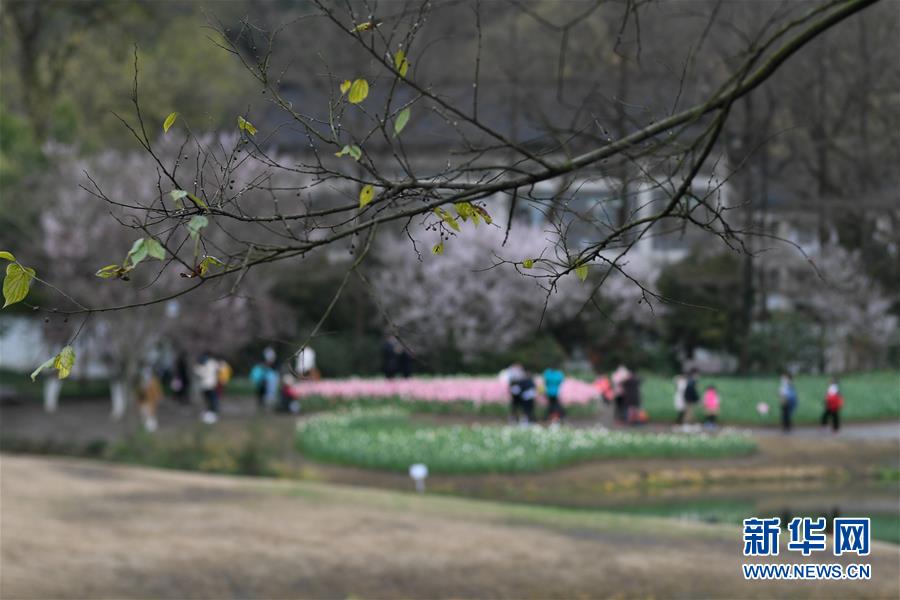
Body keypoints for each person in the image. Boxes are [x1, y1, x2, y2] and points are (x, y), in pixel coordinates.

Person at [194, 353, 221, 424]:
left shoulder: (205, 366)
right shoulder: (212, 363)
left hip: (207, 386)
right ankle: (211, 413)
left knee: (210, 400)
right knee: (211, 400)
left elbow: (201, 373)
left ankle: (212, 414)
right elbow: (219, 367)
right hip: (210, 385)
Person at [137, 365, 163, 432]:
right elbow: (139, 393)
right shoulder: (142, 382)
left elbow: (157, 391)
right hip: (144, 401)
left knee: (151, 414)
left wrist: (158, 397)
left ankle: (151, 427)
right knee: (145, 414)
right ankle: (147, 427)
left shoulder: (153, 381)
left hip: (151, 401)